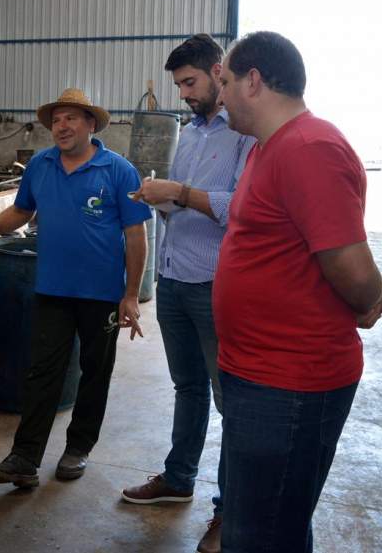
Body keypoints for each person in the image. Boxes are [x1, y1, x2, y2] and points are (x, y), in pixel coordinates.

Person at [213, 31, 382, 553]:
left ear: (254, 81)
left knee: (260, 535)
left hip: (291, 383)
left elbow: (355, 272)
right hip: (258, 373)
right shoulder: (267, 149)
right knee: (272, 525)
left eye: (224, 82)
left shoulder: (310, 148)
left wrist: (369, 300)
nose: (220, 95)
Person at [0, 88, 151, 487]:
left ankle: (78, 448)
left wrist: (130, 295)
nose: (62, 126)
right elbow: (21, 211)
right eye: (56, 120)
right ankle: (25, 457)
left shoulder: (118, 170)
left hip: (102, 294)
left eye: (71, 118)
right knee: (41, 372)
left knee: (94, 372)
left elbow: (135, 234)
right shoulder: (41, 164)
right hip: (52, 288)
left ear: (91, 124)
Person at [121, 34, 255, 553]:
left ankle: (229, 510)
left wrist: (177, 193)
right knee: (188, 388)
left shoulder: (243, 134)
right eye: (179, 86)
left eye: (190, 83)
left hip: (216, 285)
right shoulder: (192, 133)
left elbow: (241, 206)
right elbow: (185, 199)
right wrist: (159, 197)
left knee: (230, 400)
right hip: (175, 278)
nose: (183, 95)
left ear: (219, 73)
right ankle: (179, 479)